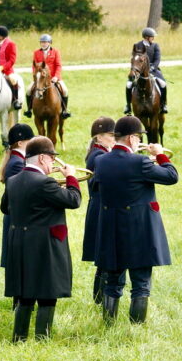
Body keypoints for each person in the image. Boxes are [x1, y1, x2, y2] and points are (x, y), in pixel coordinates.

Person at [93, 116, 178, 325]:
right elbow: (171, 175)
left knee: (112, 282)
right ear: (132, 138)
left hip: (111, 229)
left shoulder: (100, 161)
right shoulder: (140, 162)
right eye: (138, 137)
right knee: (140, 283)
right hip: (139, 230)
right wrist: (159, 155)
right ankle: (136, 326)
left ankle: (109, 324)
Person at [1, 136, 82, 341]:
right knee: (47, 293)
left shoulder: (13, 180)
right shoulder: (46, 182)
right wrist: (71, 178)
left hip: (19, 242)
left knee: (25, 293)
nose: (54, 162)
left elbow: (5, 207)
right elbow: (74, 200)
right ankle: (42, 339)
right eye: (52, 158)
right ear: (43, 158)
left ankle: (18, 338)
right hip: (44, 244)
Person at [82, 117, 116, 305]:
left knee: (104, 256)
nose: (114, 138)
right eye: (111, 135)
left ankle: (99, 296)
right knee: (104, 256)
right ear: (99, 138)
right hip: (101, 206)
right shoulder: (99, 156)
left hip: (99, 205)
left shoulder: (100, 153)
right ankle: (100, 297)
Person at [0, 123, 35, 271]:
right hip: (17, 217)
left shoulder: (18, 160)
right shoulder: (17, 163)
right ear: (20, 143)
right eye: (30, 141)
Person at [25, 34, 71, 119]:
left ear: (49, 43)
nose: (43, 44)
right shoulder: (36, 53)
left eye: (45, 42)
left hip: (54, 78)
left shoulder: (55, 52)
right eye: (41, 42)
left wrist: (56, 77)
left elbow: (58, 65)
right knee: (28, 90)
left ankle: (64, 111)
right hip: (40, 79)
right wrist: (36, 77)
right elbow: (34, 66)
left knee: (65, 90)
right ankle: (29, 110)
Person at [125, 27, 168, 115]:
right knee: (129, 85)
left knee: (163, 84)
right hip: (139, 71)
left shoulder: (155, 46)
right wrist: (136, 69)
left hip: (153, 70)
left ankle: (163, 104)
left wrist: (152, 67)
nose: (153, 38)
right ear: (147, 37)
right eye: (152, 37)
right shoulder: (137, 45)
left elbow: (157, 59)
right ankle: (128, 106)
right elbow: (134, 59)